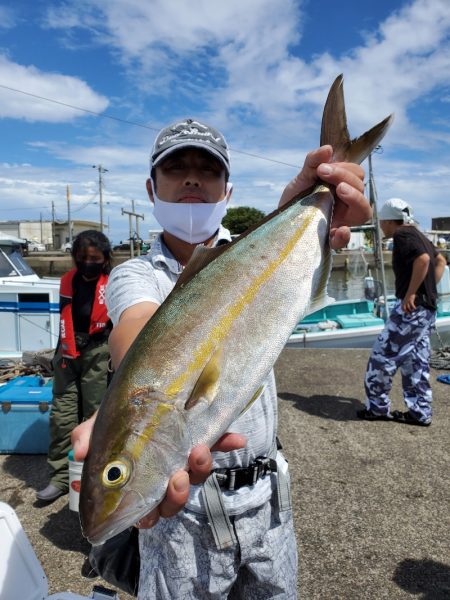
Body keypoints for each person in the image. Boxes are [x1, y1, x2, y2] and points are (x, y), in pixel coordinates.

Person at [72, 118, 371, 599]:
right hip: (185, 514)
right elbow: (136, 333)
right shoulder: (135, 274)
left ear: (227, 189)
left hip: (270, 503)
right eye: (176, 167)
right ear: (152, 188)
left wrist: (312, 201)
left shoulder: (250, 249)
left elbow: (265, 264)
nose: (192, 178)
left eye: (207, 170)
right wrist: (127, 402)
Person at [36, 230, 113, 502]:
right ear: (74, 258)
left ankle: (94, 480)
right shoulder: (68, 281)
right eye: (82, 257)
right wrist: (64, 351)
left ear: (105, 259)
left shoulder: (114, 284)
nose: (88, 262)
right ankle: (59, 477)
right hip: (68, 352)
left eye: (94, 257)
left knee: (96, 416)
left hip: (99, 351)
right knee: (61, 417)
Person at [358, 198, 447, 427]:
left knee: (383, 355)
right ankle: (420, 412)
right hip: (426, 310)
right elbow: (440, 260)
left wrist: (411, 293)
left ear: (389, 220)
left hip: (411, 310)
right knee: (415, 361)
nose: (381, 227)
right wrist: (429, 291)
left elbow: (424, 260)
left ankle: (377, 408)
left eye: (382, 222)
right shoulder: (420, 235)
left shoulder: (402, 235)